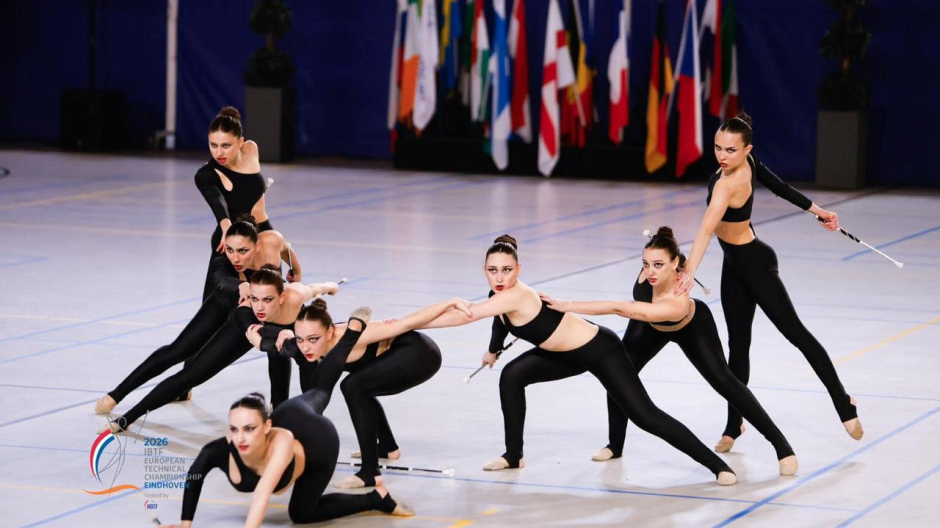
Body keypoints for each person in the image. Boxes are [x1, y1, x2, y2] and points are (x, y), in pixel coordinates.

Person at [420, 235, 737, 485]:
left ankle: (718, 467)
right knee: (512, 375)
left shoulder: (517, 293)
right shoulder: (499, 297)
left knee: (645, 415)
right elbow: (498, 319)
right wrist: (493, 349)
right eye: (492, 270)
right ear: (485, 271)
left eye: (506, 270)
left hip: (600, 350)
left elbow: (467, 316)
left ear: (518, 271)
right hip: (564, 355)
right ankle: (514, 455)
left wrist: (408, 324)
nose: (499, 277)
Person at [539, 227, 797, 476]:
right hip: (648, 326)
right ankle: (615, 445)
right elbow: (638, 299)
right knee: (618, 376)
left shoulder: (677, 300)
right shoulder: (651, 271)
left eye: (658, 265)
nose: (650, 272)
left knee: (724, 381)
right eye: (645, 264)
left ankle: (781, 446)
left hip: (691, 326)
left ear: (676, 264)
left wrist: (569, 304)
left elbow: (619, 308)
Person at [674, 112, 862, 451]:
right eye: (718, 147)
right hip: (733, 265)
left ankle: (843, 402)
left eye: (730, 150)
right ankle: (734, 424)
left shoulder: (727, 183)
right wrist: (819, 212)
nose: (722, 155)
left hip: (756, 263)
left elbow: (707, 228)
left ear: (747, 149)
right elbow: (779, 190)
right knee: (738, 346)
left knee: (797, 335)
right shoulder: (738, 167)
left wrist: (688, 273)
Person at [157, 312, 413, 527]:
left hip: (318, 439)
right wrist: (185, 524)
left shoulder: (280, 443)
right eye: (234, 429)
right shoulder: (218, 451)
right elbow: (195, 475)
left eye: (249, 428)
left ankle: (351, 334)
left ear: (267, 427)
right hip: (292, 414)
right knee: (301, 514)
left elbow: (261, 495)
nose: (240, 438)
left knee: (320, 391)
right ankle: (377, 498)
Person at [94, 217, 300, 414]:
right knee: (179, 350)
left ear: (257, 246)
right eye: (230, 250)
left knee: (278, 348)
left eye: (243, 251)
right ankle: (117, 394)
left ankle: (279, 405)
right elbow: (220, 280)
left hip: (257, 311)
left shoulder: (272, 239)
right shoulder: (223, 257)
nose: (235, 258)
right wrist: (242, 285)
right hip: (224, 302)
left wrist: (295, 269)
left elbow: (286, 248)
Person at [102, 268, 338, 433]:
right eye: (255, 299)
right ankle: (128, 417)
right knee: (191, 375)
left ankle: (308, 422)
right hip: (248, 332)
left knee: (310, 366)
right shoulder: (247, 312)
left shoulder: (296, 295)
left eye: (267, 299)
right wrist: (279, 334)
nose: (260, 306)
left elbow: (315, 288)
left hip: (285, 331)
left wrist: (331, 286)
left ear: (283, 296)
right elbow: (262, 341)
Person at [263, 299, 447, 489]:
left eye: (313, 339)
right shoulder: (307, 348)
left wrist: (450, 303)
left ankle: (370, 472)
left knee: (353, 386)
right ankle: (387, 446)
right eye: (300, 339)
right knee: (361, 385)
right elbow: (264, 338)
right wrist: (280, 333)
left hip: (419, 353)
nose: (306, 346)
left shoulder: (351, 335)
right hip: (400, 356)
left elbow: (409, 323)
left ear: (330, 333)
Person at [197, 107, 299, 302]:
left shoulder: (251, 149)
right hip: (233, 240)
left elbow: (269, 230)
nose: (219, 152)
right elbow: (217, 203)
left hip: (263, 235)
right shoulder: (206, 175)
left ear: (240, 142)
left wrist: (293, 264)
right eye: (213, 145)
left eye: (226, 145)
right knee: (218, 303)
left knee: (271, 300)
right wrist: (226, 225)